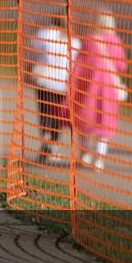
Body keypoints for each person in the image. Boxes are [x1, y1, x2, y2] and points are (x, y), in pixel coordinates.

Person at [73, 12, 127, 172]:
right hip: (109, 89)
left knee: (85, 120)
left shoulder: (90, 40)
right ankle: (99, 160)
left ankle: (84, 155)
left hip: (89, 87)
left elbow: (79, 65)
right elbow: (122, 66)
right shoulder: (116, 42)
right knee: (104, 123)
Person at [28, 15, 81, 163]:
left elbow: (33, 52)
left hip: (44, 80)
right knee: (58, 116)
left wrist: (30, 68)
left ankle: (46, 144)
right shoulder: (74, 41)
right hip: (62, 84)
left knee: (44, 113)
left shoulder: (44, 34)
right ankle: (53, 146)